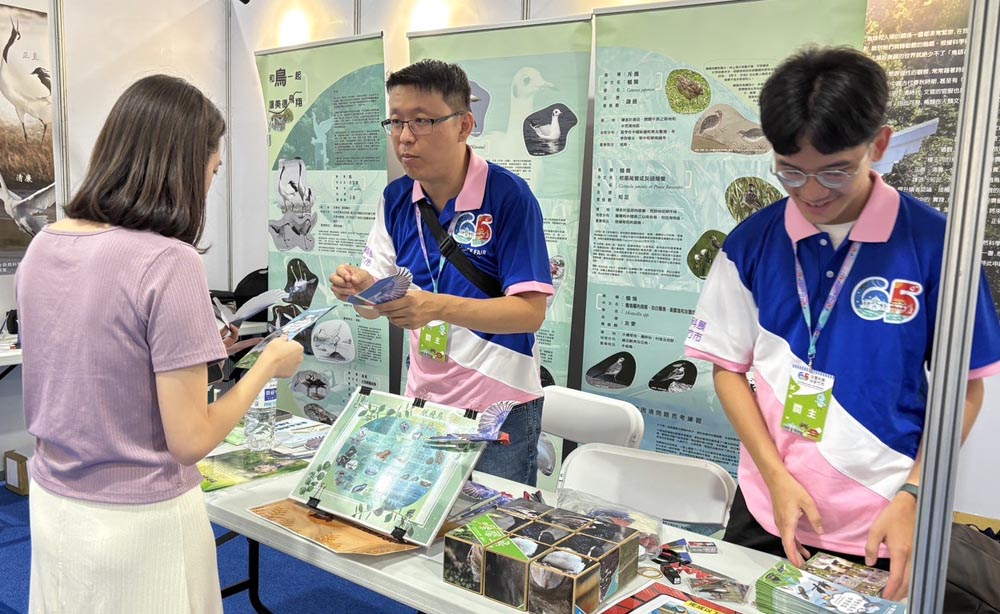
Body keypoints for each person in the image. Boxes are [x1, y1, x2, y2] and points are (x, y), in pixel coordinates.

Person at [684, 46, 1000, 601]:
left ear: (878, 144)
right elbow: (729, 371)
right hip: (771, 508)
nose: (811, 193)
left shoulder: (936, 245)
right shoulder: (750, 245)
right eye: (790, 172)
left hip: (888, 514)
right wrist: (776, 477)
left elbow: (964, 388)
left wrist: (916, 495)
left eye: (835, 171)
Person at [16, 74, 303, 613]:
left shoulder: (44, 246)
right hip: (140, 526)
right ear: (185, 166)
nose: (211, 187)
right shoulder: (169, 261)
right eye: (212, 171)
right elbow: (190, 440)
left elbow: (95, 363)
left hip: (55, 507)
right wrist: (266, 365)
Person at [329, 59, 552, 485]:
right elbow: (373, 308)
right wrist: (359, 289)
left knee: (492, 538)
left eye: (423, 120)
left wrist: (435, 307)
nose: (405, 137)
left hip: (498, 405)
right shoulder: (396, 199)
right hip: (423, 402)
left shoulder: (509, 197)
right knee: (418, 533)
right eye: (395, 122)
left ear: (464, 125)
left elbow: (529, 312)